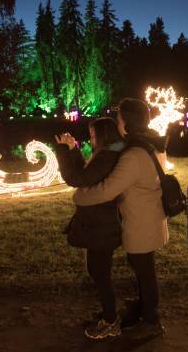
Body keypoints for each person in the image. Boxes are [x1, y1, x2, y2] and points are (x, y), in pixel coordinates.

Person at [73, 98, 168, 339]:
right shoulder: (150, 145)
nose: (117, 124)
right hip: (150, 218)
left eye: (119, 119)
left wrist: (81, 197)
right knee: (144, 270)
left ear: (127, 122)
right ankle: (143, 312)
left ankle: (150, 321)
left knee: (145, 272)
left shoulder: (134, 155)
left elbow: (108, 189)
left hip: (141, 222)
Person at [54, 117, 125, 340]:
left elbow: (78, 178)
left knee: (99, 272)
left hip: (102, 224)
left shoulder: (108, 155)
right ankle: (108, 313)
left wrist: (63, 151)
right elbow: (88, 173)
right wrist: (74, 149)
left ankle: (111, 320)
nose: (91, 139)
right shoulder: (107, 154)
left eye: (94, 136)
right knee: (97, 270)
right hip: (100, 222)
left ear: (104, 135)